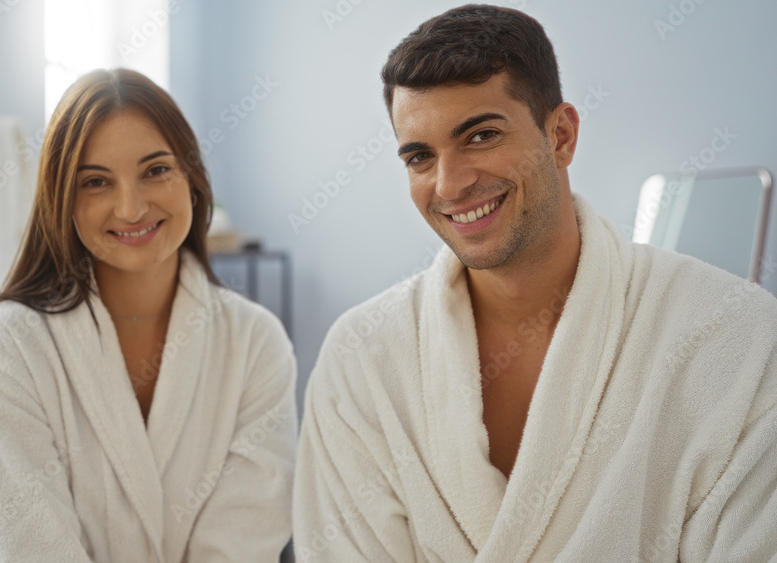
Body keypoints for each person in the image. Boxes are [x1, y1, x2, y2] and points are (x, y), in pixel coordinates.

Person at [293, 5, 777, 561]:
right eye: (420, 156)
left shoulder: (733, 336)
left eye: (480, 135)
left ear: (562, 136)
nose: (449, 184)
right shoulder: (362, 358)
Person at [0, 68, 297, 562]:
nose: (131, 208)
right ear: (62, 200)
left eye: (155, 170)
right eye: (95, 182)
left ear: (192, 178)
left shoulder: (255, 343)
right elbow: (30, 548)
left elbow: (242, 542)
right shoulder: (7, 345)